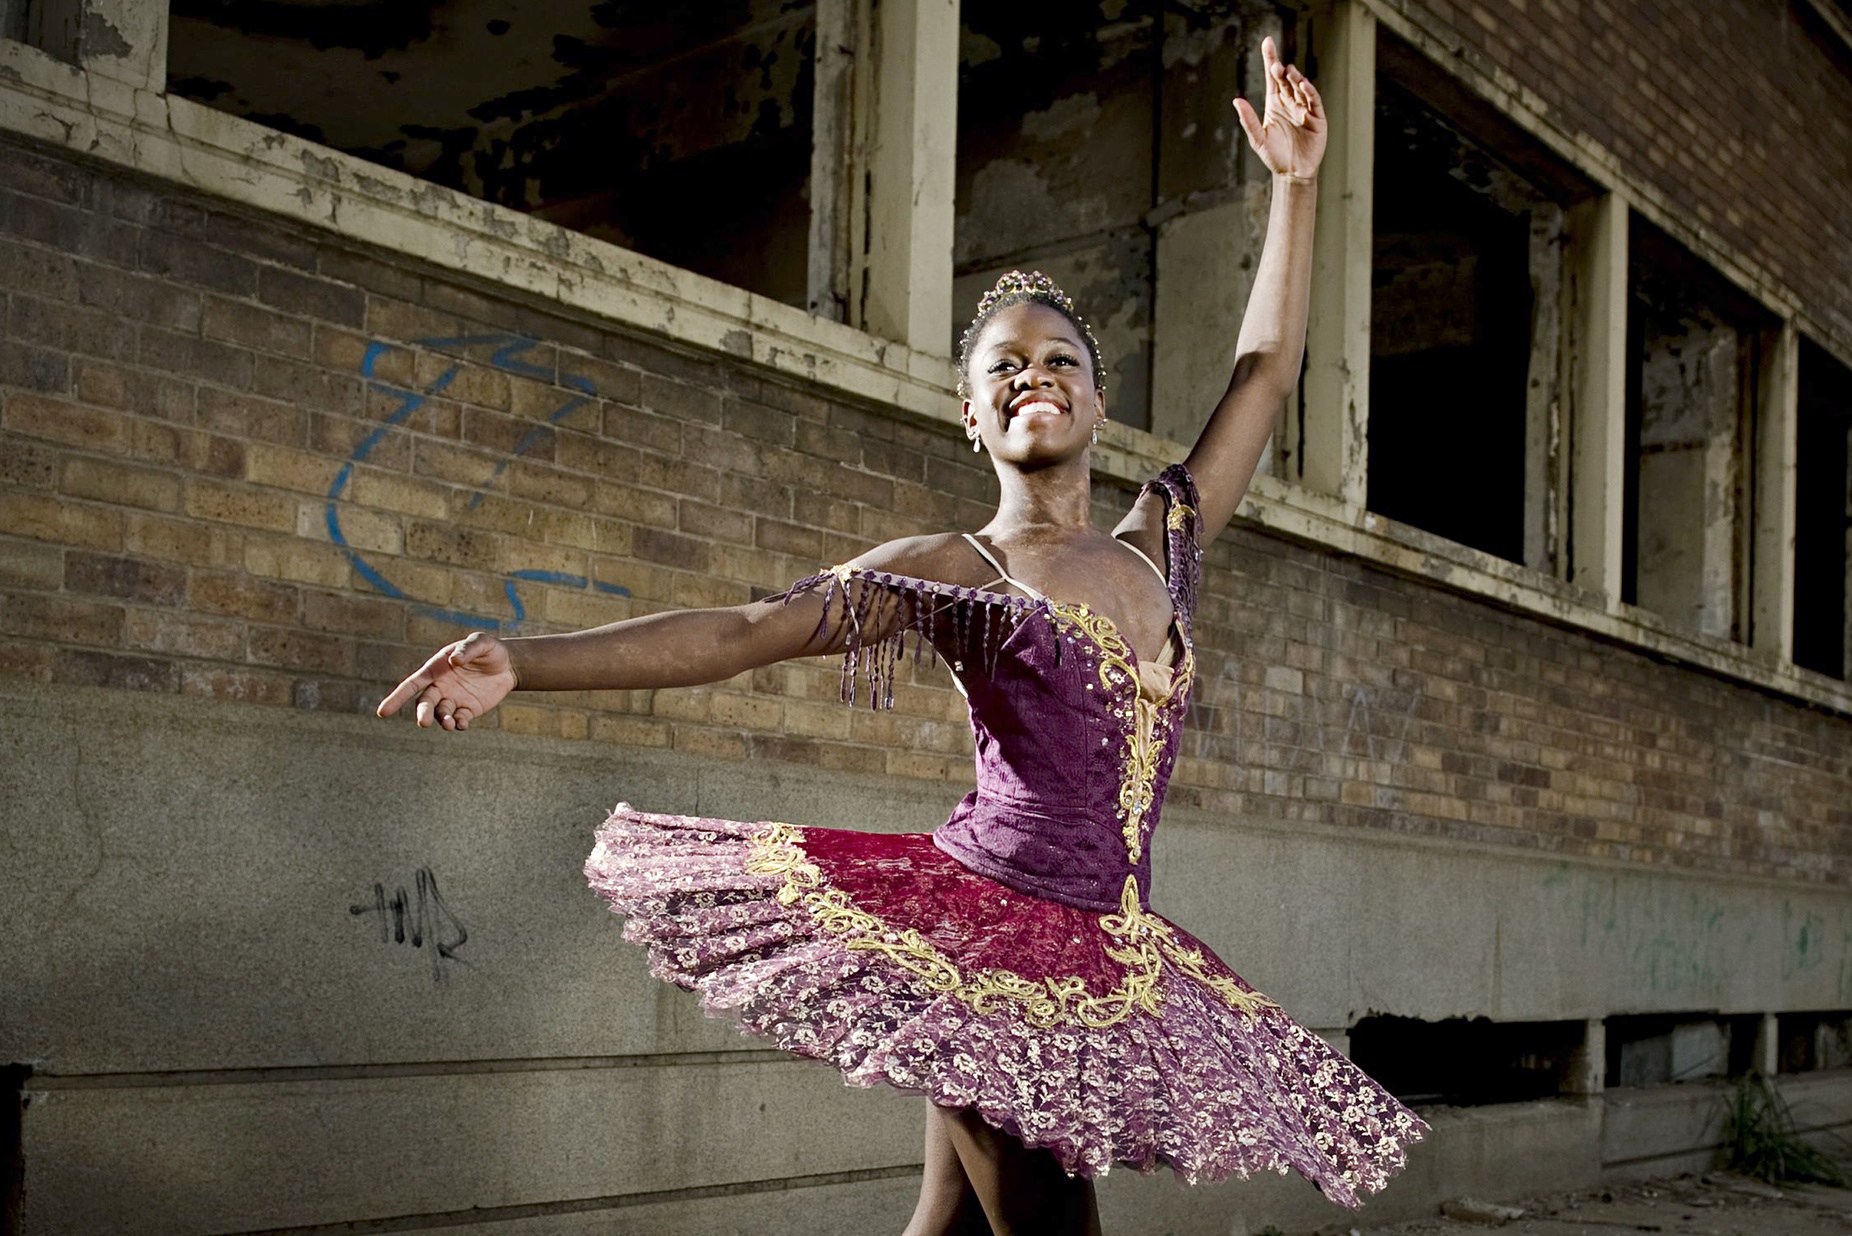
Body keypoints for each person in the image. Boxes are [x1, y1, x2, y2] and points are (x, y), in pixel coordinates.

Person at [378, 37, 1425, 1235]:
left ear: (1096, 394)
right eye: (1003, 368)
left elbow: (1264, 371)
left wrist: (1293, 186)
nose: (1033, 375)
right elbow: (739, 631)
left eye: (1059, 360)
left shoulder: (1159, 540)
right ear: (971, 414)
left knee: (951, 1231)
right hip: (982, 941)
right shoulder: (952, 571)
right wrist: (528, 658)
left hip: (1104, 942)